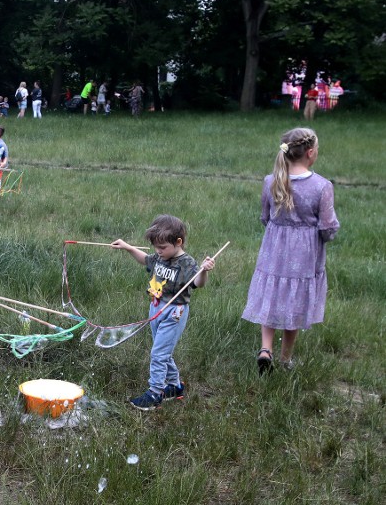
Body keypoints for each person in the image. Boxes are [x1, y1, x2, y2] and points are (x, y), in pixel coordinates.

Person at [242, 128, 339, 374]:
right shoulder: (322, 186)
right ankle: (285, 359)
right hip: (304, 255)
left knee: (272, 293)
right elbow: (328, 227)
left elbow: (265, 217)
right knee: (294, 299)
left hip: (274, 250)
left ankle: (266, 349)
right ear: (310, 153)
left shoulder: (270, 181)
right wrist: (324, 236)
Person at [111, 215, 216, 411]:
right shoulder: (160, 257)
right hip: (156, 307)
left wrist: (204, 271)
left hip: (174, 312)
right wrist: (128, 248)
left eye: (162, 248)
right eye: (156, 248)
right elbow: (145, 260)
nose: (158, 252)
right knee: (163, 350)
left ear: (178, 242)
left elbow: (197, 283)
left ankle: (155, 392)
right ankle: (175, 387)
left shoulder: (186, 263)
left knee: (158, 353)